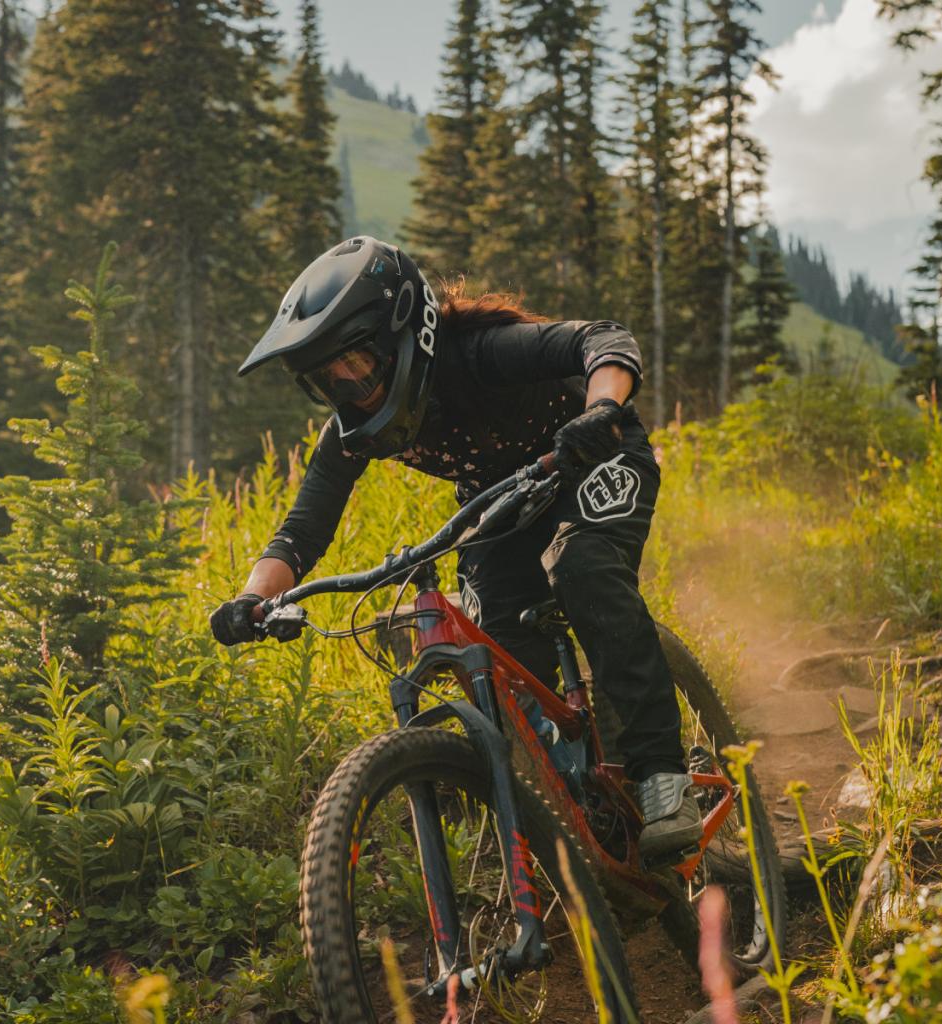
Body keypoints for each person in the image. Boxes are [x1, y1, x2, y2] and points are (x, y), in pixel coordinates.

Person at [208, 236, 701, 859]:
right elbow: (302, 531)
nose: (350, 390)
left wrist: (600, 410)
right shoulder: (354, 432)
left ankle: (663, 775)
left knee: (584, 569)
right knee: (495, 638)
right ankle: (572, 805)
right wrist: (252, 599)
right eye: (329, 382)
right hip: (502, 503)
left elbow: (603, 338)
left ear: (403, 337)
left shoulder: (479, 354)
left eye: (357, 366)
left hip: (592, 455)